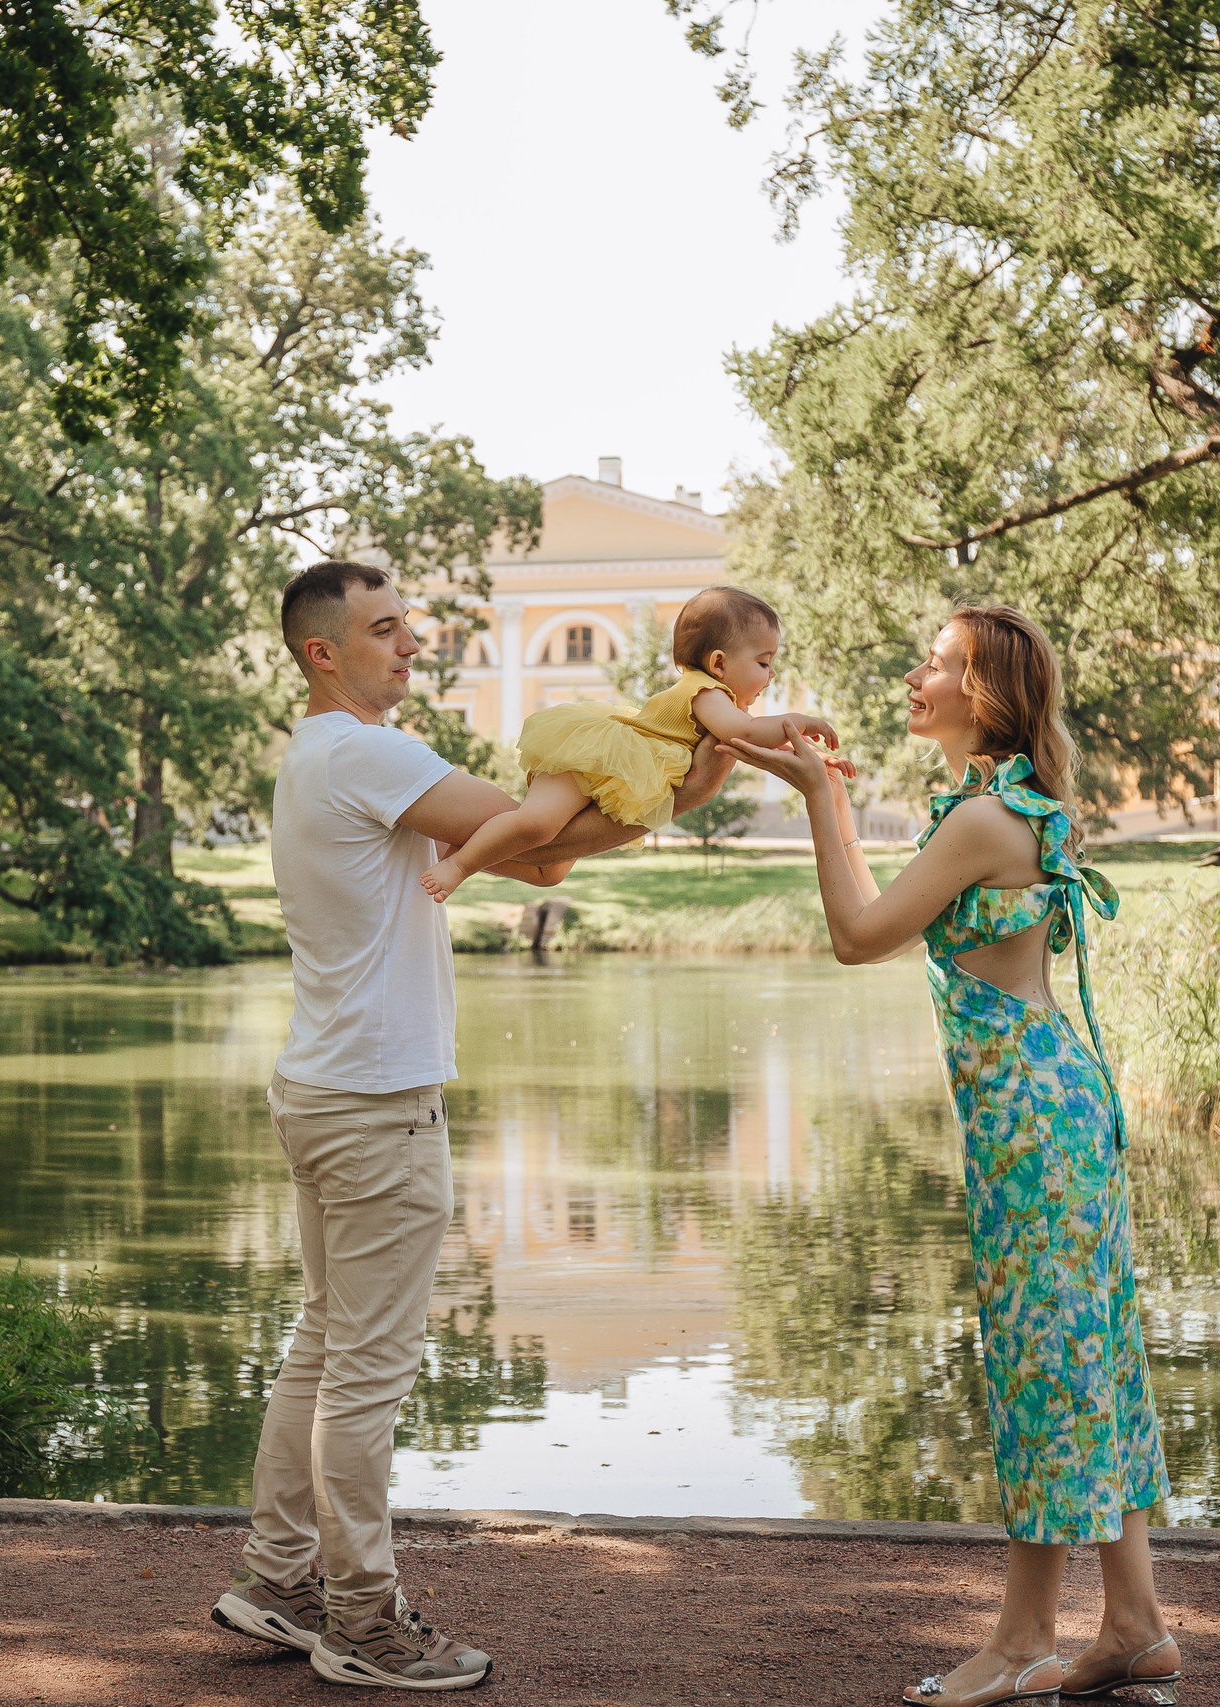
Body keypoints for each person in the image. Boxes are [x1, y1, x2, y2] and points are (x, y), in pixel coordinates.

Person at [208, 560, 734, 1692]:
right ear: (322, 654)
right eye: (385, 631)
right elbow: (537, 845)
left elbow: (520, 846)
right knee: (367, 1371)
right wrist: (671, 796)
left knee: (323, 1342)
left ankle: (274, 1577)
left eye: (408, 627)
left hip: (322, 1088)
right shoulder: (369, 752)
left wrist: (664, 801)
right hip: (378, 1103)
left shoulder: (315, 757)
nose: (410, 646)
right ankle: (358, 1618)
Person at [726, 606, 1179, 1707]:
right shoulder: (1000, 806)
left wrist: (822, 797)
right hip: (1051, 1115)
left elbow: (858, 932)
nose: (914, 674)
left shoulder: (984, 818)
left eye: (935, 663)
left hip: (1034, 1123)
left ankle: (1025, 1637)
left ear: (982, 694)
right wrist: (751, 742)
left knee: (1043, 1372)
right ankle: (1134, 1625)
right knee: (1090, 1362)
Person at [417, 586, 838, 901]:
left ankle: (453, 845)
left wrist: (812, 757)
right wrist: (798, 722)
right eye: (764, 663)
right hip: (595, 757)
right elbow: (745, 735)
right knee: (538, 824)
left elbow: (753, 745)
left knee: (552, 871)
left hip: (618, 773)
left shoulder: (726, 707)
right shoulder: (708, 693)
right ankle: (459, 865)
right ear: (719, 663)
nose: (772, 675)